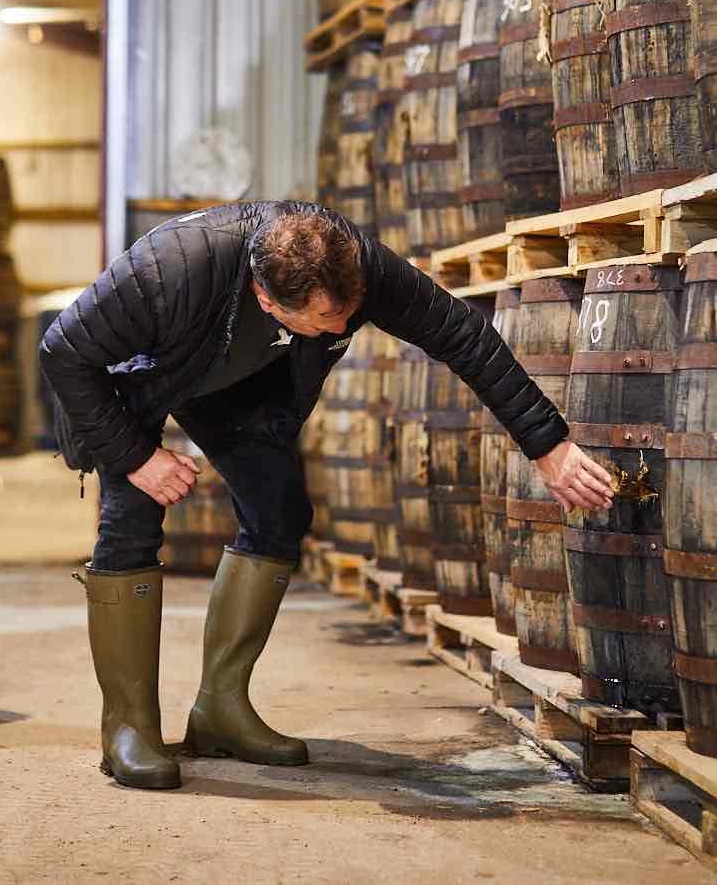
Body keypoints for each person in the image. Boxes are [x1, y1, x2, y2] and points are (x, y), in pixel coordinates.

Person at [40, 202, 613, 791]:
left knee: (280, 512)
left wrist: (548, 444)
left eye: (346, 314)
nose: (341, 329)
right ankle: (128, 728)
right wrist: (138, 458)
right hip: (131, 386)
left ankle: (220, 710)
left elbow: (462, 333)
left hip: (234, 385)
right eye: (324, 320)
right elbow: (61, 351)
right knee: (131, 523)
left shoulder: (354, 267)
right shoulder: (171, 269)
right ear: (267, 300)